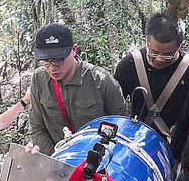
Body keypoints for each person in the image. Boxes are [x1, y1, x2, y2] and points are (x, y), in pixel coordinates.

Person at [29, 23, 127, 156]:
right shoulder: (38, 79)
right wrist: (55, 161)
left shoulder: (101, 80)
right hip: (59, 162)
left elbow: (121, 127)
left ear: (74, 50)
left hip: (99, 162)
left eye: (58, 60)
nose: (52, 68)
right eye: (46, 61)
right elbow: (38, 128)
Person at [114, 13, 189, 140]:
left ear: (180, 45)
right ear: (147, 42)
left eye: (168, 55)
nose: (160, 59)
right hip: (136, 139)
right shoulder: (129, 65)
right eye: (154, 53)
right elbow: (115, 108)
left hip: (176, 141)